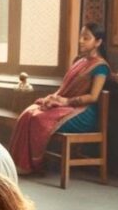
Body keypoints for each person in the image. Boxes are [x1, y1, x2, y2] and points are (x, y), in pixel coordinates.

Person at [10, 23, 110, 175]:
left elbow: (93, 97)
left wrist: (65, 101)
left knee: (39, 119)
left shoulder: (101, 67)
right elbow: (65, 88)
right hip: (67, 106)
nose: (81, 41)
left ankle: (30, 165)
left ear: (98, 42)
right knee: (28, 113)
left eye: (86, 38)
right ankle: (16, 162)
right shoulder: (80, 60)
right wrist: (54, 98)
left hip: (84, 113)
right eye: (81, 37)